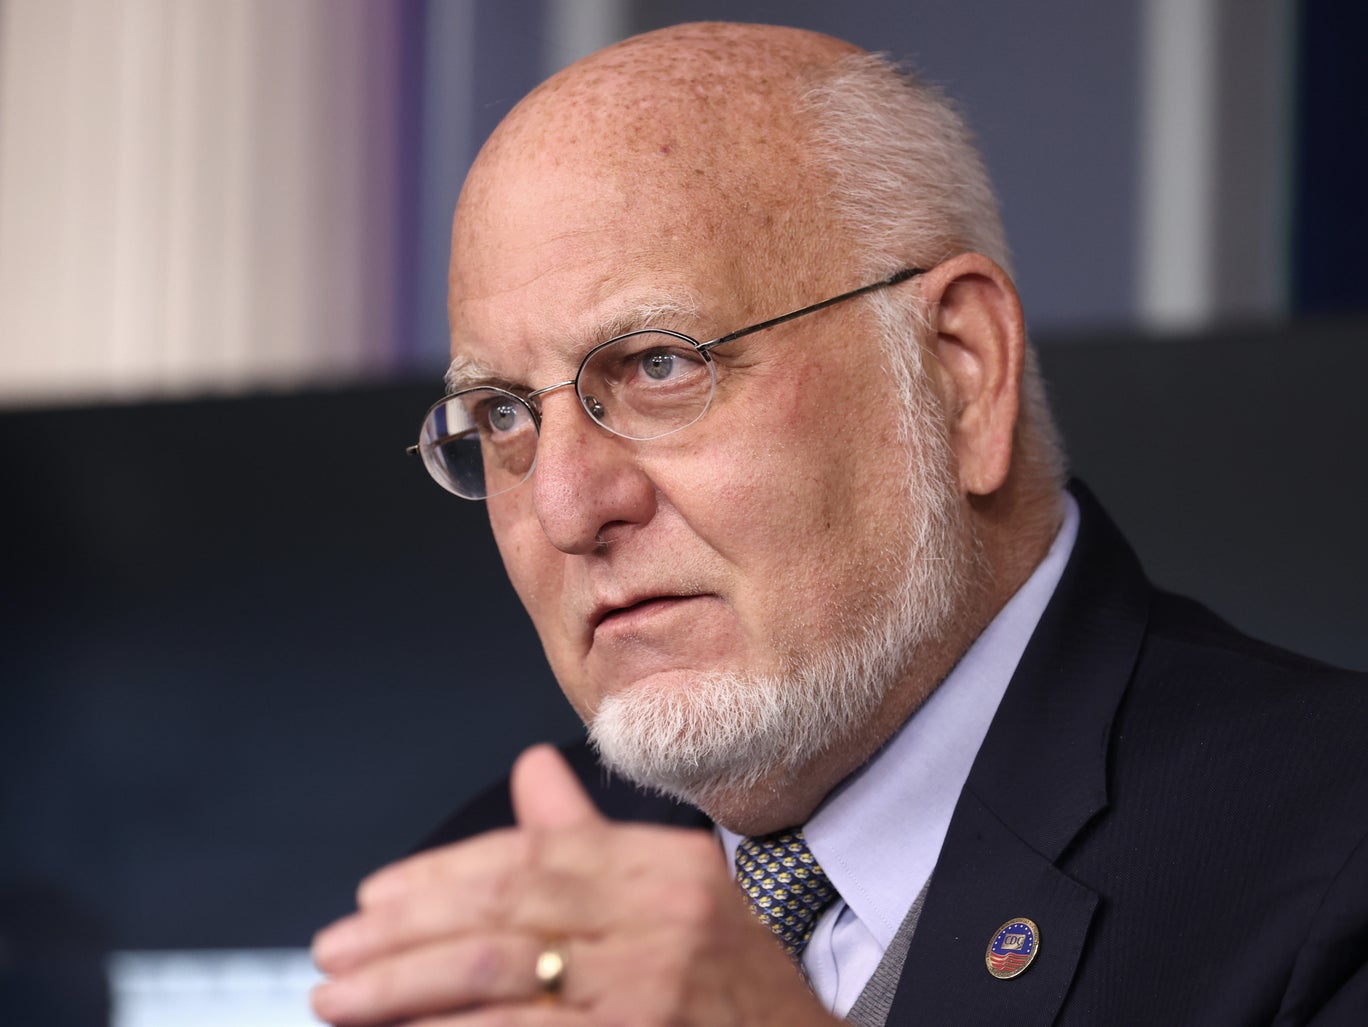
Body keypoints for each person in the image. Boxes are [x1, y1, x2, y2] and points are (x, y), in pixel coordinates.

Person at [310, 22, 1368, 1026]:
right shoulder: (486, 903)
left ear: (960, 374)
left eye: (659, 366)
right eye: (503, 414)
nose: (567, 508)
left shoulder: (1335, 845)